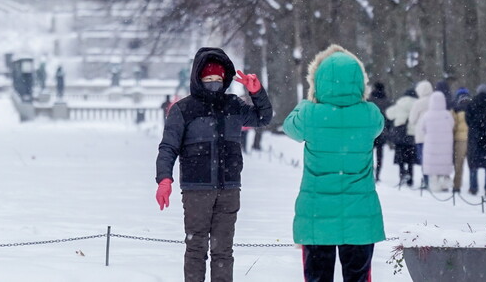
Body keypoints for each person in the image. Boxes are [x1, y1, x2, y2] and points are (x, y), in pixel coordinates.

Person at [155, 47, 272, 282]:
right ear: (198, 79)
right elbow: (168, 147)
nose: (213, 83)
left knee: (223, 251)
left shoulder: (234, 105)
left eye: (218, 79)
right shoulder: (183, 109)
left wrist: (257, 92)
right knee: (196, 249)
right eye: (208, 79)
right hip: (196, 190)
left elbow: (263, 117)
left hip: (229, 188)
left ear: (225, 79)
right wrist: (164, 179)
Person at [284, 45, 385, 282]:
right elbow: (378, 127)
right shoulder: (370, 114)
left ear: (317, 81)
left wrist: (308, 101)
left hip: (317, 216)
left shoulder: (309, 115)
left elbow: (290, 126)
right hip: (360, 215)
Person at [465, 83, 486, 196]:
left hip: (475, 138)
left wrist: (475, 128)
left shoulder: (471, 103)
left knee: (473, 164)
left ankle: (473, 187)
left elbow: (468, 120)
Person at [384, 88, 418, 187]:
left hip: (400, 136)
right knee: (411, 159)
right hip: (412, 135)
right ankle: (411, 179)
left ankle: (402, 174)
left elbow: (389, 114)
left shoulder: (400, 103)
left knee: (400, 158)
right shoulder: (417, 104)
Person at [406, 80, 433, 188]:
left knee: (423, 160)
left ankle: (426, 181)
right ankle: (433, 180)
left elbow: (412, 119)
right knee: (432, 159)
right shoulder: (434, 101)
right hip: (433, 136)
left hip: (421, 135)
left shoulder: (418, 103)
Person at [367, 81, 391, 182]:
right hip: (383, 131)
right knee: (380, 155)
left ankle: (370, 173)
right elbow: (389, 118)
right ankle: (378, 174)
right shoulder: (387, 101)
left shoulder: (369, 100)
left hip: (370, 131)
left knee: (369, 153)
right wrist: (388, 129)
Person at [450, 87, 471, 194]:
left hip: (459, 139)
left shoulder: (456, 108)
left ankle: (456, 186)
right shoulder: (472, 106)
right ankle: (473, 186)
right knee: (472, 165)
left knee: (459, 164)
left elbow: (453, 125)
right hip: (471, 139)